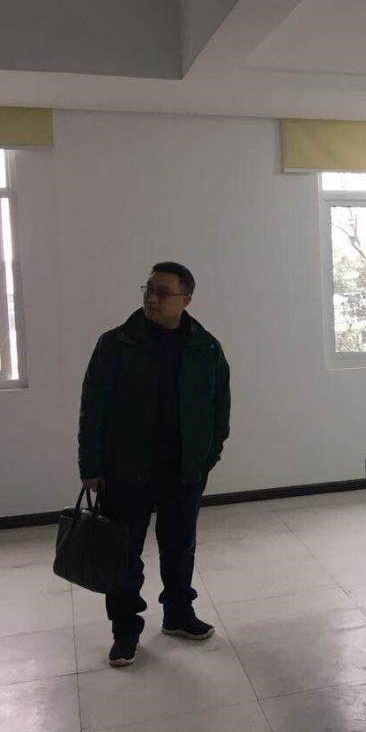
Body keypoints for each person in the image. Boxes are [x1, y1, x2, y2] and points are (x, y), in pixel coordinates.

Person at [78, 262, 231, 667]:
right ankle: (125, 630)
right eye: (148, 289)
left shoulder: (206, 347)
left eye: (163, 292)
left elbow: (220, 407)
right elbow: (92, 408)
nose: (152, 298)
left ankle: (179, 614)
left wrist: (207, 457)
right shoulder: (116, 344)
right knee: (124, 553)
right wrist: (90, 464)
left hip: (183, 469)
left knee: (179, 547)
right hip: (126, 469)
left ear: (186, 300)